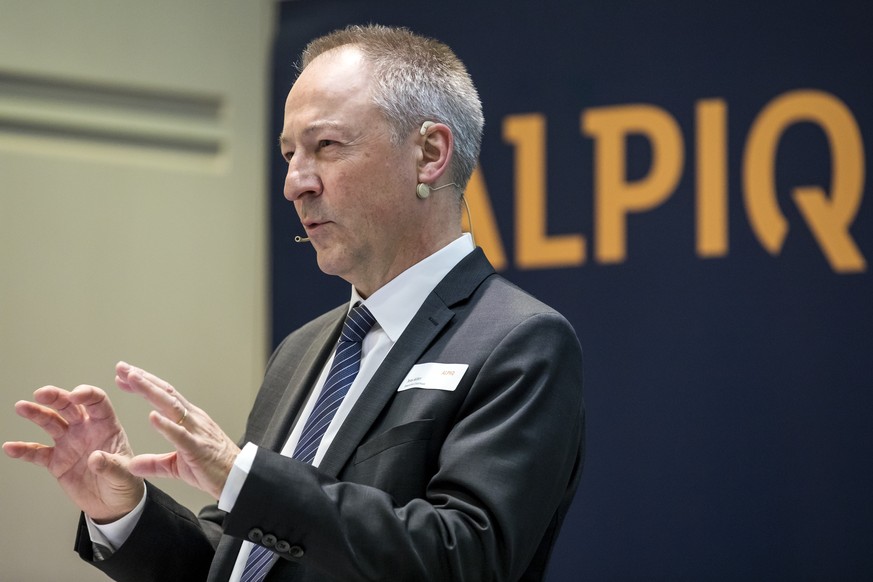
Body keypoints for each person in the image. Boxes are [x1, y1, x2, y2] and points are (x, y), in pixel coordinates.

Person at [3, 24, 585, 581]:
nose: (294, 183)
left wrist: (244, 477)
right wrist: (124, 510)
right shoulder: (302, 350)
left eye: (326, 145)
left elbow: (463, 559)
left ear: (429, 153)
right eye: (288, 155)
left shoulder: (518, 340)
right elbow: (235, 564)